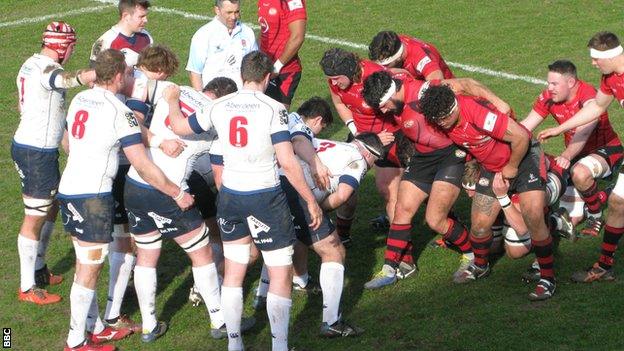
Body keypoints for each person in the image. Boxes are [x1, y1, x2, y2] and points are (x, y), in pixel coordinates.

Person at [166, 50, 322, 351]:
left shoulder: (219, 105)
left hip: (230, 197)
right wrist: (310, 200)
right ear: (267, 77)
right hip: (265, 195)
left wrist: (172, 100)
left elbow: (180, 127)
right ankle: (279, 346)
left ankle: (234, 344)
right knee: (279, 270)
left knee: (235, 272)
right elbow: (288, 163)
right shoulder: (274, 108)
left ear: (241, 75)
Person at [58, 49, 193, 351]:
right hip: (92, 197)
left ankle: (94, 328)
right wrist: (176, 192)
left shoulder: (81, 99)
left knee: (84, 263)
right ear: (118, 76)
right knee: (88, 269)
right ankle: (76, 342)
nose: (132, 77)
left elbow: (66, 141)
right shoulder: (119, 112)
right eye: (130, 73)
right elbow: (142, 164)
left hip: (68, 190)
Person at [124, 72, 254, 342]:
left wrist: (162, 111)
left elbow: (139, 90)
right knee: (202, 254)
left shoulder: (176, 89)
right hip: (168, 192)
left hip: (135, 183)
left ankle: (149, 325)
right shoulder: (215, 120)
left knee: (147, 256)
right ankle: (219, 320)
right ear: (224, 99)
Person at [360, 71, 508, 287]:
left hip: (450, 156)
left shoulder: (423, 91)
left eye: (383, 106)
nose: (383, 111)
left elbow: (466, 83)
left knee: (435, 219)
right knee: (401, 210)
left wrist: (499, 104)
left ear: (392, 94)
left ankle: (470, 254)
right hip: (423, 158)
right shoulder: (397, 99)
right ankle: (389, 270)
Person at [420, 84, 557, 301]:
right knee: (480, 224)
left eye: (444, 119)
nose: (441, 124)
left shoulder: (476, 113)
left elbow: (520, 136)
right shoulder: (439, 118)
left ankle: (548, 278)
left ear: (453, 108)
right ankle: (481, 266)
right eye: (437, 120)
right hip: (493, 167)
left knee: (533, 217)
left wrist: (511, 168)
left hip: (522, 158)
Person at [12, 21, 95, 305]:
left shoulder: (29, 64)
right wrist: (94, 74)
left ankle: (39, 268)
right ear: (61, 47)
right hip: (36, 151)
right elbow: (64, 80)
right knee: (34, 215)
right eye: (71, 46)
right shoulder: (50, 70)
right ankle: (27, 287)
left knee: (51, 205)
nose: (72, 51)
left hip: (33, 146)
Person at [89, 0, 154, 332]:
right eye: (141, 14)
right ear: (126, 14)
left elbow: (148, 80)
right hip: (118, 137)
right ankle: (113, 304)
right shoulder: (106, 42)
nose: (145, 19)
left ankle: (121, 285)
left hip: (135, 126)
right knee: (119, 231)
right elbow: (94, 83)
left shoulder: (146, 38)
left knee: (126, 226)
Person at [538, 31, 624, 282]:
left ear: (609, 55)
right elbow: (597, 108)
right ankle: (604, 266)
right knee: (618, 203)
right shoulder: (610, 79)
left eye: (595, 59)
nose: (593, 64)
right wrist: (560, 128)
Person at [522, 59, 622, 235]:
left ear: (570, 82)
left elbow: (583, 133)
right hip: (577, 156)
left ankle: (596, 215)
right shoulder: (548, 98)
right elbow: (526, 126)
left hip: (606, 150)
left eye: (554, 84)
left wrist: (567, 156)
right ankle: (602, 194)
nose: (549, 88)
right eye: (548, 83)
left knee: (580, 172)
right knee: (570, 218)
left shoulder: (588, 95)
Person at [319, 47, 401, 231]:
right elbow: (339, 103)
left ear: (348, 70)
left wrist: (382, 137)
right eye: (330, 78)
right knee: (346, 187)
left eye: (337, 77)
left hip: (388, 137)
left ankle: (401, 250)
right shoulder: (335, 80)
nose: (333, 82)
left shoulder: (375, 76)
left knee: (387, 191)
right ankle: (343, 234)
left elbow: (398, 101)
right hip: (360, 135)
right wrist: (355, 131)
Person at [187, 0, 257, 90]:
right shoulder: (203, 35)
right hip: (214, 98)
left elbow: (253, 67)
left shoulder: (247, 32)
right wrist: (202, 100)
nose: (233, 17)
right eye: (229, 12)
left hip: (240, 97)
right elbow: (195, 72)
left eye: (236, 12)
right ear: (217, 10)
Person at [258, 0, 307, 109]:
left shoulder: (292, 1)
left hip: (284, 71)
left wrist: (277, 67)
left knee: (278, 118)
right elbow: (264, 30)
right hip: (263, 67)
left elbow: (297, 37)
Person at [368, 30, 454, 80]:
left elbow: (437, 83)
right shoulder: (391, 43)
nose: (383, 68)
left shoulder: (420, 57)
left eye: (386, 65)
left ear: (398, 58)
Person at [90, 0, 152, 67]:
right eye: (141, 16)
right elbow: (97, 73)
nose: (146, 20)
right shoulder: (106, 42)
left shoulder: (146, 36)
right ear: (126, 16)